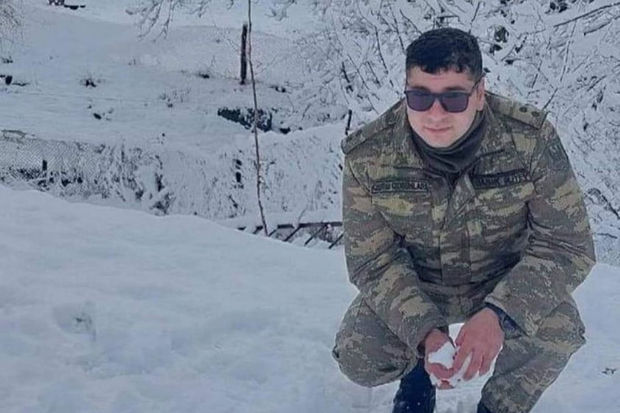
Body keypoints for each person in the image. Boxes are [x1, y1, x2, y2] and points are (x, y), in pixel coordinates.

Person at [332, 27, 596, 413]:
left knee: (559, 329)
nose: (435, 114)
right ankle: (418, 375)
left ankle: (498, 407)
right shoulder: (369, 156)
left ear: (479, 93)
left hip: (501, 280)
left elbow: (568, 244)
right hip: (420, 284)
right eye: (420, 97)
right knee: (360, 353)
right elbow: (373, 261)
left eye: (453, 98)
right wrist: (423, 331)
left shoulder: (529, 140)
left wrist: (500, 313)